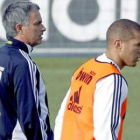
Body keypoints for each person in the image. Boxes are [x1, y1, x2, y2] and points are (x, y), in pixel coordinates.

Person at [54, 19, 140, 140]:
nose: (139, 51)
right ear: (118, 44)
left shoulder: (85, 68)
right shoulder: (112, 79)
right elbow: (106, 134)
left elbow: (62, 118)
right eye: (137, 45)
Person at [0, 1, 53, 140]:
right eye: (37, 23)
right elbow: (31, 119)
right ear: (20, 28)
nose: (43, 28)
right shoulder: (23, 63)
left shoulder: (2, 55)